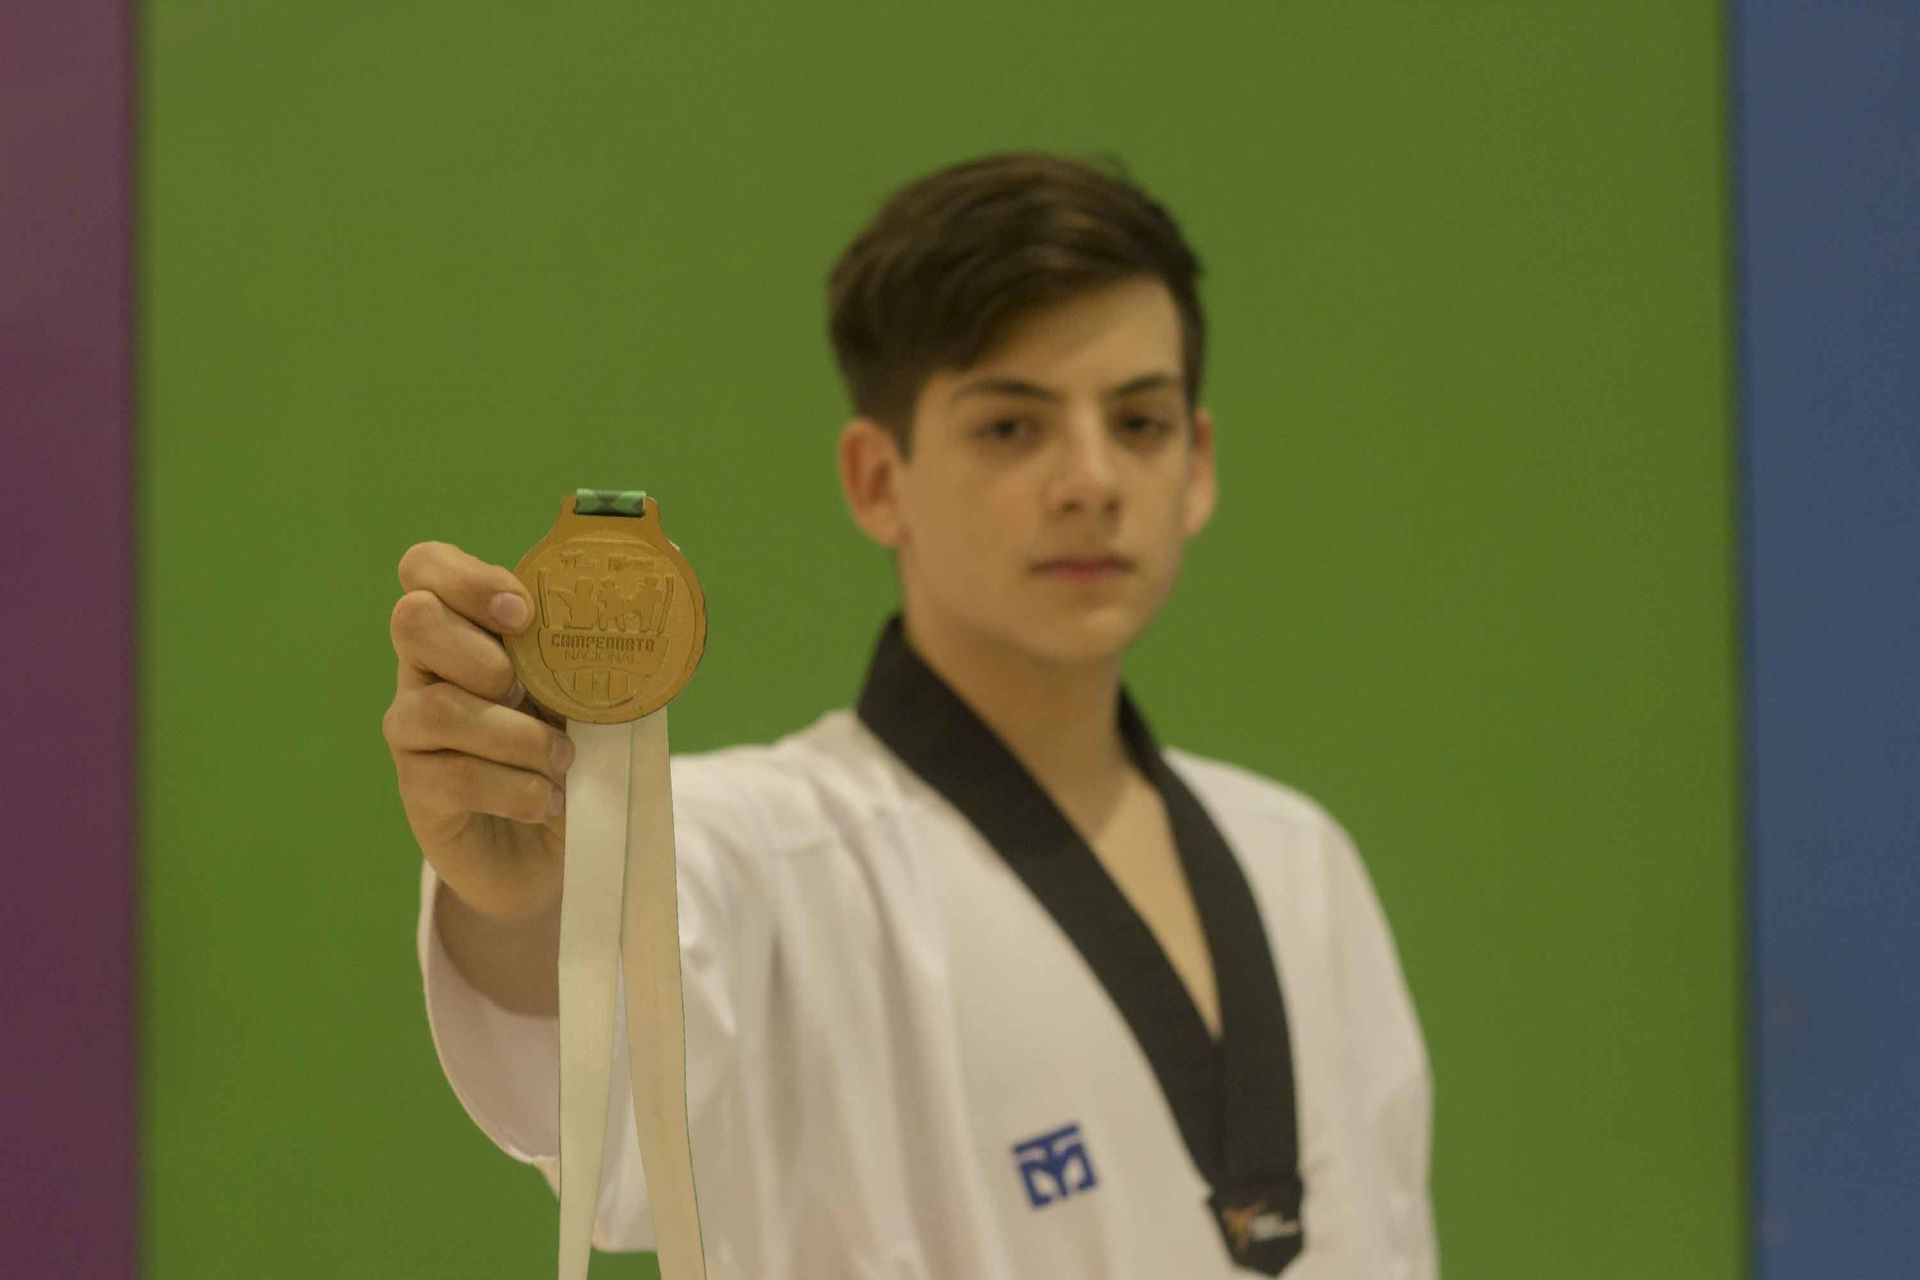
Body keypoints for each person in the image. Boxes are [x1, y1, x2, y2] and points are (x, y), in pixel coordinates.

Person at [382, 150, 1437, 1278]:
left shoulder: (1303, 862)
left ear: (1199, 463)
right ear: (878, 477)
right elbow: (590, 1085)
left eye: (1139, 421)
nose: (1091, 477)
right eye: (1011, 428)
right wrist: (540, 888)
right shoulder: (758, 847)